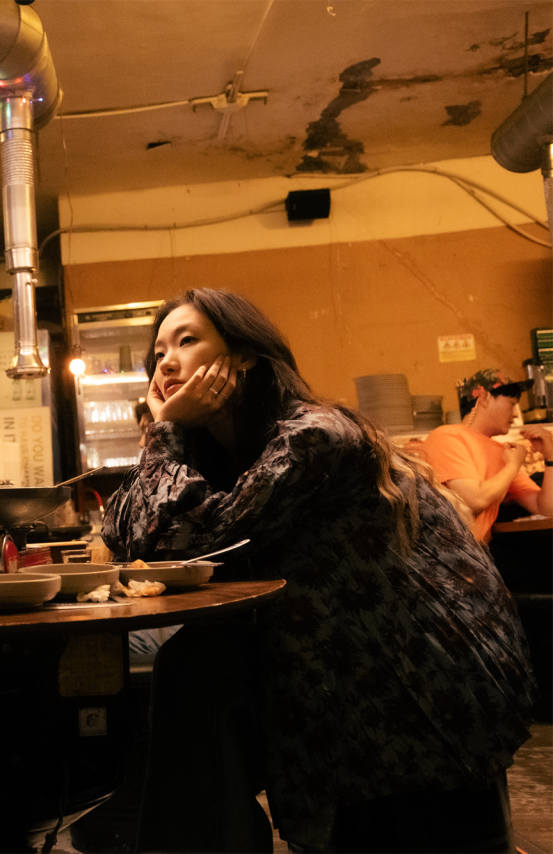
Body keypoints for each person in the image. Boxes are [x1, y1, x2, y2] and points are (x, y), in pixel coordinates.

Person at [102, 289, 535, 854]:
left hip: (419, 675)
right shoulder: (228, 455)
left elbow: (205, 539)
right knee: (192, 665)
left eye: (186, 341)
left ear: (243, 355)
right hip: (340, 665)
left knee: (196, 672)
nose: (166, 363)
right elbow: (129, 537)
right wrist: (167, 435)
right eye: (158, 352)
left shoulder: (315, 435)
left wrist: (164, 432)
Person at [420, 368, 553, 546]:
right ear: (484, 398)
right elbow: (474, 500)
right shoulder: (447, 437)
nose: (516, 414)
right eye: (512, 404)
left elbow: (546, 509)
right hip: (444, 553)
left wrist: (550, 457)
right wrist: (513, 466)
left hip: (477, 552)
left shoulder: (501, 452)